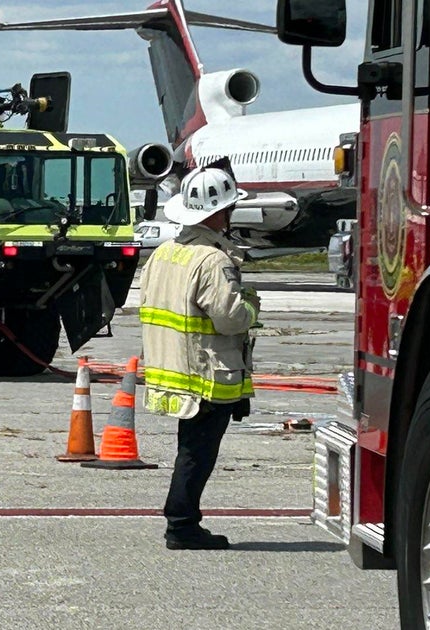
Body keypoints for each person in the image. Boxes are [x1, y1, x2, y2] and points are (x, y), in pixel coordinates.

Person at [140, 163, 260, 550]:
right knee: (197, 454)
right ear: (217, 213)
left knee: (188, 449)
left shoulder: (164, 254)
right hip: (205, 375)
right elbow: (230, 319)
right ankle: (182, 524)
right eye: (228, 209)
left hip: (172, 370)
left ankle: (182, 520)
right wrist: (252, 306)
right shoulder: (213, 261)